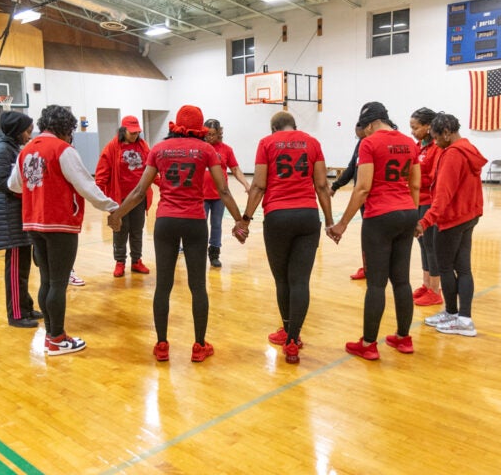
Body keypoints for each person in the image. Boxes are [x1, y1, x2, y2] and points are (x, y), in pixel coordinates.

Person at [108, 105, 247, 363]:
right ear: (200, 127)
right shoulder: (206, 150)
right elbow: (223, 190)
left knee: (163, 286)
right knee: (198, 287)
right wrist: (240, 221)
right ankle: (199, 345)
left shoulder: (159, 149)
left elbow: (140, 191)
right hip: (194, 222)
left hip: (166, 222)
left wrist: (117, 214)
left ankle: (162, 345)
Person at [8, 105, 119, 356]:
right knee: (58, 283)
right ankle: (57, 338)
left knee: (47, 280)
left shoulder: (25, 150)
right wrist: (113, 207)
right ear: (66, 129)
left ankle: (50, 335)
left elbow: (13, 185)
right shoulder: (63, 150)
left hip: (33, 222)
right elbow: (86, 186)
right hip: (59, 223)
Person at [238, 111, 334, 364]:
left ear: (273, 129)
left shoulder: (266, 144)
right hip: (307, 216)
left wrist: (245, 219)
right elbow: (322, 185)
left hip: (278, 217)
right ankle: (293, 340)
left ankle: (287, 328)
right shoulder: (312, 143)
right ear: (295, 126)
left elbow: (258, 185)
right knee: (300, 281)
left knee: (283, 280)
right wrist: (331, 221)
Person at [327, 102, 420, 361]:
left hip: (380, 216)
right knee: (402, 280)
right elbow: (415, 184)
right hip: (407, 213)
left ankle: (368, 344)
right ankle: (404, 338)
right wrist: (415, 217)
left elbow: (363, 188)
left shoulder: (370, 144)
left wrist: (342, 222)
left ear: (369, 124)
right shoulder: (409, 143)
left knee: (377, 283)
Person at [416, 112, 486, 337]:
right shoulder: (468, 148)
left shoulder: (453, 155)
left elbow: (443, 195)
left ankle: (456, 314)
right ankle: (460, 317)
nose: (435, 142)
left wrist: (425, 221)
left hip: (452, 219)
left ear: (447, 132)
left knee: (446, 267)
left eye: (436, 138)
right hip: (468, 215)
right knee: (463, 268)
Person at [0, 111, 43, 328]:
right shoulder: (1, 149)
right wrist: (25, 191)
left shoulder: (10, 147)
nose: (30, 135)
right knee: (15, 267)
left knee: (23, 265)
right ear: (17, 130)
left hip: (17, 211)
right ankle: (17, 314)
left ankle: (26, 306)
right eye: (27, 131)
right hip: (9, 213)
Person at [95, 115, 155, 277]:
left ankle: (137, 261)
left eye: (137, 132)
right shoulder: (111, 147)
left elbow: (152, 170)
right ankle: (120, 262)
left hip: (139, 198)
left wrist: (165, 185)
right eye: (131, 132)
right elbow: (102, 174)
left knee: (137, 230)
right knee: (119, 230)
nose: (135, 135)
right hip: (118, 198)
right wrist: (98, 196)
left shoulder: (143, 146)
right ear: (123, 130)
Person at [202, 118, 251, 267]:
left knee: (216, 224)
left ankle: (214, 253)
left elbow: (235, 169)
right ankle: (197, 252)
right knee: (200, 226)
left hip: (219, 197)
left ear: (219, 134)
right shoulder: (199, 147)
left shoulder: (226, 149)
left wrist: (246, 184)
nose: (210, 137)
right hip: (200, 196)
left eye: (213, 134)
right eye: (207, 134)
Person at [409, 107, 443, 306]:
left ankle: (436, 290)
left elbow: (434, 177)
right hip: (417, 200)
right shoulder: (418, 146)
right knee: (422, 244)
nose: (412, 131)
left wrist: (414, 179)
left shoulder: (436, 148)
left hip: (429, 201)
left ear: (428, 127)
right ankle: (426, 284)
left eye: (415, 127)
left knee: (431, 245)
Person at [330, 134, 366, 280]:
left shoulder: (373, 143)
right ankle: (367, 267)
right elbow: (352, 167)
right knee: (367, 233)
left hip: (374, 196)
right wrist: (335, 186)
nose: (357, 135)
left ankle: (378, 268)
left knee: (377, 236)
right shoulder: (361, 144)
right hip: (364, 198)